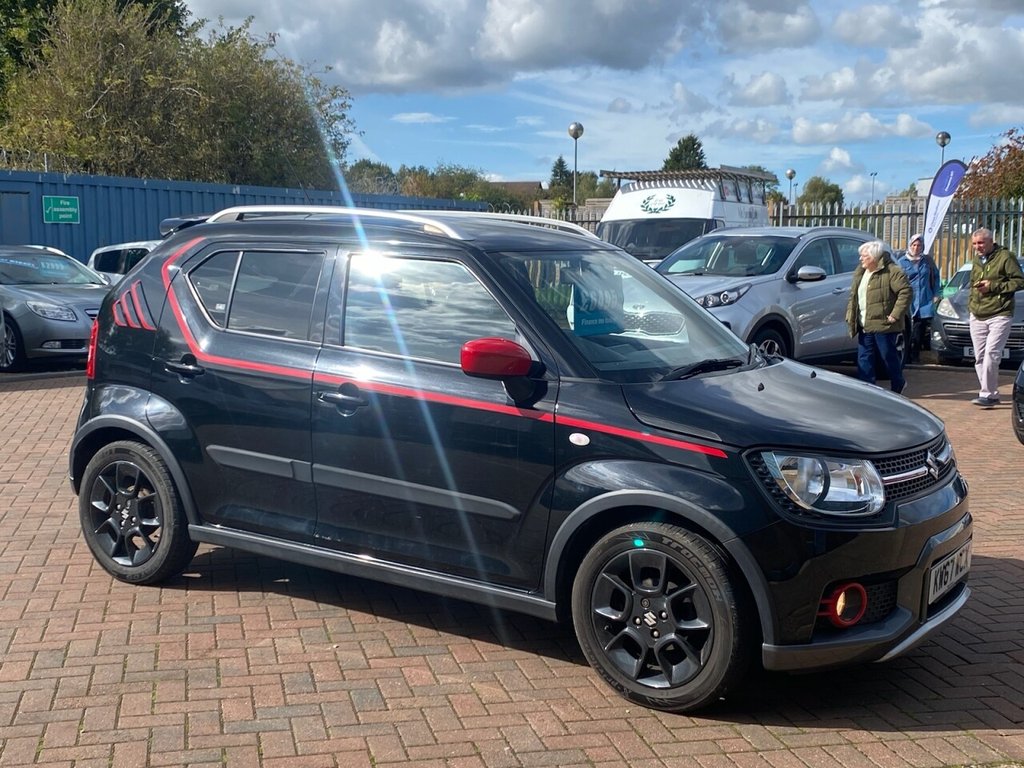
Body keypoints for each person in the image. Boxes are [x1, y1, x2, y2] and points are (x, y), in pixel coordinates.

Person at [966, 228, 1024, 407]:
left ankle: (988, 394)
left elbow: (1019, 281)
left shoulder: (1005, 257)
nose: (978, 247)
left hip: (1000, 313)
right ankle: (989, 393)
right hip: (977, 313)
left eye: (981, 243)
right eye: (975, 244)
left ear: (991, 241)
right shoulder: (976, 260)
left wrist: (993, 286)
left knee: (992, 354)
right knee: (980, 357)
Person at [846, 240, 912, 393]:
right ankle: (867, 389)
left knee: (887, 356)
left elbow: (906, 292)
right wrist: (851, 315)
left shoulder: (892, 271)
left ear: (874, 257)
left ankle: (898, 383)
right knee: (864, 359)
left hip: (884, 324)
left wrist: (895, 315)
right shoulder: (861, 272)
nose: (860, 259)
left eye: (864, 256)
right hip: (865, 324)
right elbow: (855, 296)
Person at [897, 233, 940, 363]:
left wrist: (936, 294)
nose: (916, 248)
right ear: (910, 246)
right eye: (914, 245)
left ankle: (915, 355)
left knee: (919, 329)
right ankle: (907, 354)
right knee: (908, 328)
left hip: (924, 300)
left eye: (919, 245)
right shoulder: (901, 262)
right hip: (909, 300)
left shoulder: (927, 261)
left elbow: (936, 277)